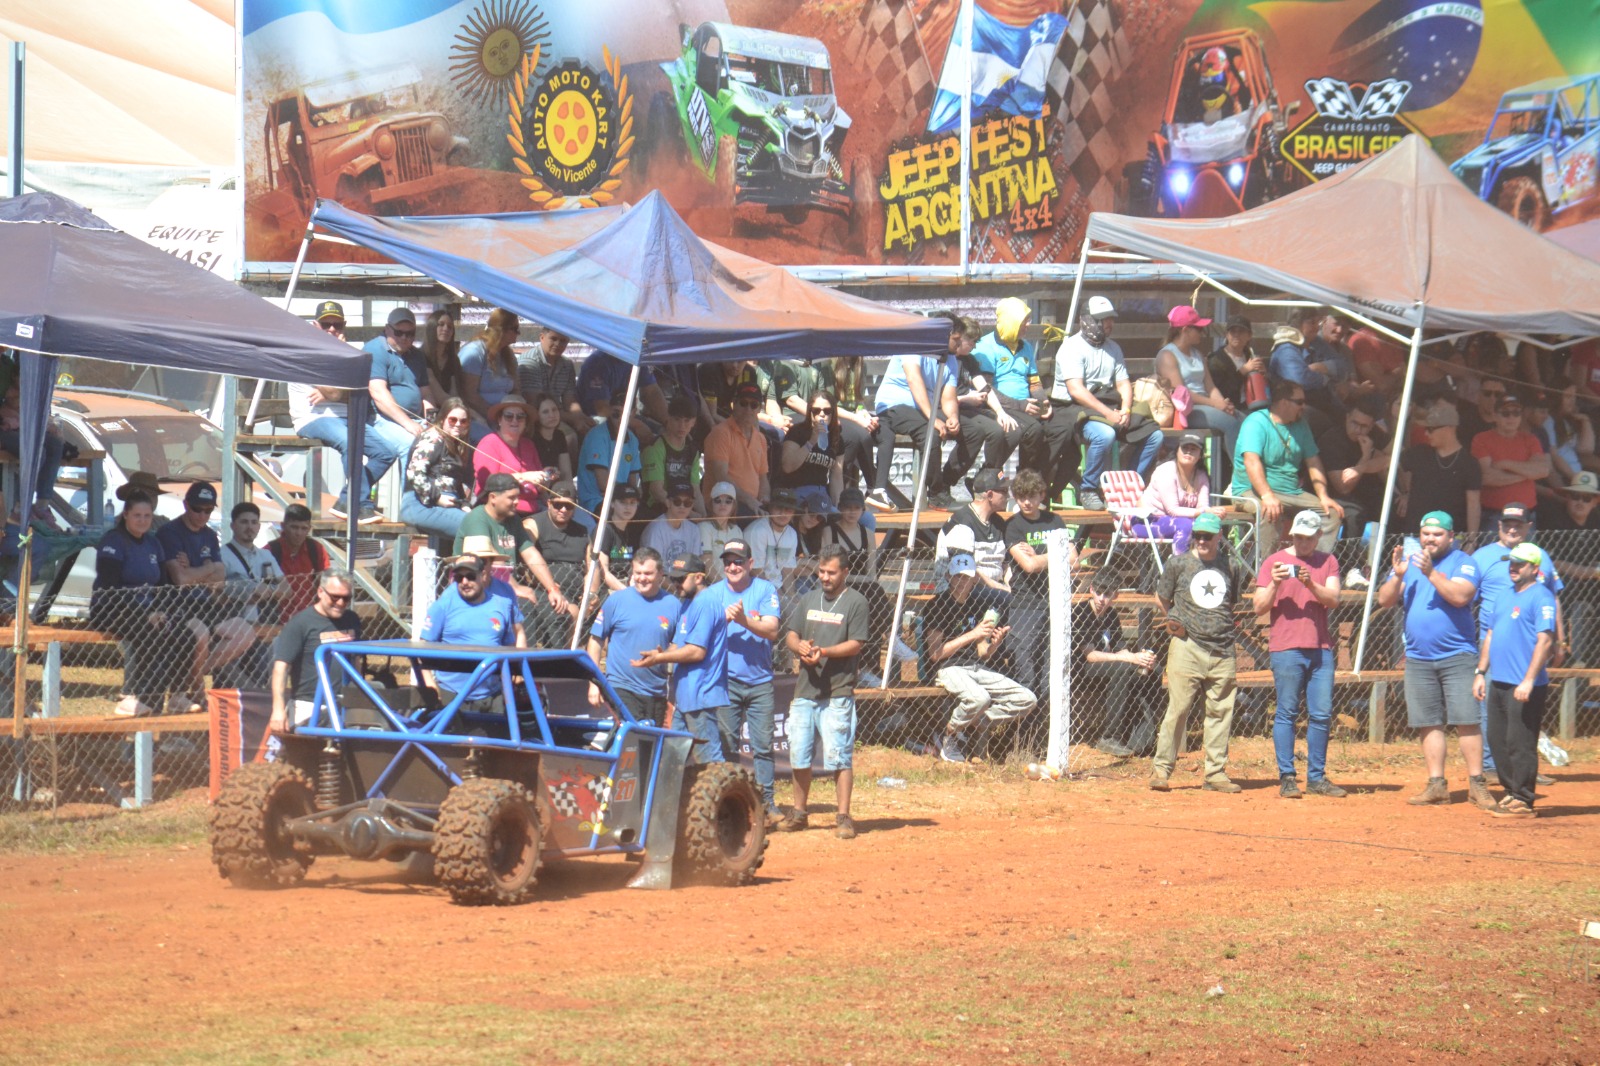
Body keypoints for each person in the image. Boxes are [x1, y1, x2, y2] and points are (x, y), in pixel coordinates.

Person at [1375, 511, 1491, 807]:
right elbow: (1384, 600)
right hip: (1417, 658)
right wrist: (1399, 575)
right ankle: (1436, 784)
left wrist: (1430, 573)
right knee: (1429, 723)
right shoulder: (1410, 564)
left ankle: (1477, 784)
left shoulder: (1463, 562)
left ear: (1451, 537)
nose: (1429, 539)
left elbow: (1460, 596)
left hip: (1458, 656)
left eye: (1437, 534)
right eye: (1425, 533)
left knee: (1466, 720)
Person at [1150, 511, 1251, 793]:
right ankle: (1161, 770)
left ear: (1221, 536)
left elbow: (1230, 602)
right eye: (1199, 535)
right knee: (1178, 709)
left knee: (1221, 712)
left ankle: (1215, 773)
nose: (1203, 540)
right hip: (1187, 646)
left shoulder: (1231, 565)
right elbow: (1161, 597)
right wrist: (1175, 619)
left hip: (1222, 648)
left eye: (1208, 536)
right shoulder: (1178, 564)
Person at [1254, 510, 1347, 799]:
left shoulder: (1328, 561)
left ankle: (1316, 777)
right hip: (1286, 647)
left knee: (1321, 714)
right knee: (1287, 712)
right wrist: (1275, 582)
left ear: (1319, 536)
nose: (1302, 542)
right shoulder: (1274, 562)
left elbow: (1333, 600)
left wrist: (1310, 583)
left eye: (1308, 537)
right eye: (1297, 536)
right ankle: (1287, 777)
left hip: (1320, 648)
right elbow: (1259, 607)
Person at [780, 545, 870, 839]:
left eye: (831, 572)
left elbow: (856, 643)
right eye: (821, 571)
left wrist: (825, 651)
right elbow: (791, 635)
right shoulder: (808, 599)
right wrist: (800, 647)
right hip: (806, 690)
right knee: (799, 754)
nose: (825, 577)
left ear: (845, 572)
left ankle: (843, 816)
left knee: (839, 756)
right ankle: (800, 812)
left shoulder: (856, 602)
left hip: (838, 691)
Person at [1470, 503, 1564, 782]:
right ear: (1498, 526)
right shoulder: (1482, 556)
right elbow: (1467, 598)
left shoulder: (1540, 556)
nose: (1512, 528)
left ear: (1528, 527)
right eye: (1506, 523)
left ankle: (1523, 769)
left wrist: (1560, 639)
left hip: (1532, 642)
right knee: (1494, 705)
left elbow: (1553, 596)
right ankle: (1492, 767)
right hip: (1494, 640)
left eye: (1518, 524)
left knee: (1525, 708)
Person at [288, 301, 401, 523]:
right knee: (351, 442)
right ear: (315, 325)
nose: (332, 329)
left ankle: (346, 500)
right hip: (312, 418)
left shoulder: (349, 353)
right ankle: (361, 505)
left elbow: (358, 392)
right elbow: (336, 393)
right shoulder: (308, 352)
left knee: (386, 451)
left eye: (337, 325)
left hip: (345, 417)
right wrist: (336, 389)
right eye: (326, 324)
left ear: (344, 326)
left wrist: (335, 390)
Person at [92, 490, 198, 717]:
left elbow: (162, 585)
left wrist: (159, 610)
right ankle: (129, 697)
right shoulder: (114, 540)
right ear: (126, 515)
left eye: (147, 516)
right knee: (148, 631)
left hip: (148, 611)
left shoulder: (153, 544)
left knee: (185, 635)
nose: (142, 521)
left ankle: (178, 695)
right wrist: (145, 613)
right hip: (112, 608)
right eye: (137, 515)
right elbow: (110, 586)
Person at [924, 552, 1036, 764]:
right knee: (980, 698)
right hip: (947, 668)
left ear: (975, 578)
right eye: (958, 577)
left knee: (1027, 698)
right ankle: (949, 735)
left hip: (975, 668)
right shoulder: (937, 605)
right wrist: (973, 634)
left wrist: (994, 644)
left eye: (967, 577)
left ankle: (970, 723)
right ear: (948, 577)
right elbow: (935, 653)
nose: (962, 583)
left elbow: (982, 653)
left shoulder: (976, 605)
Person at [1052, 296, 1162, 510]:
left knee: (1155, 436)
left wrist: (1126, 409)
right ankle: (1089, 489)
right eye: (1103, 319)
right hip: (1073, 408)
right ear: (1089, 320)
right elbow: (1077, 391)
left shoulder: (1114, 348)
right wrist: (1109, 414)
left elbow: (1123, 384)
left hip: (1106, 403)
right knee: (1105, 435)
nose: (1109, 324)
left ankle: (1128, 486)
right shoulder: (1071, 347)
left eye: (1110, 319)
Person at [1473, 543, 1558, 819]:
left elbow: (1545, 641)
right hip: (1498, 679)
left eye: (1520, 563)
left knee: (1520, 742)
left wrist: (1529, 680)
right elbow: (1490, 635)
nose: (1513, 567)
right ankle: (1511, 792)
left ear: (1534, 568)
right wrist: (1480, 672)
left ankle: (1523, 797)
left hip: (1524, 684)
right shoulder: (1503, 596)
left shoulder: (1541, 597)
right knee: (1498, 740)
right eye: (1511, 562)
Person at [156, 481, 255, 707]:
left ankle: (192, 680)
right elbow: (180, 579)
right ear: (185, 505)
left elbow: (219, 578)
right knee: (200, 635)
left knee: (245, 633)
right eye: (197, 509)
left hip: (207, 603)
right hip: (177, 605)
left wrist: (195, 570)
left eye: (208, 510)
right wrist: (208, 568)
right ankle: (192, 690)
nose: (202, 515)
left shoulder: (209, 535)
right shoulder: (169, 532)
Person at [709, 539, 784, 820]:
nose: (732, 566)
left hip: (760, 681)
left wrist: (742, 621)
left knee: (763, 746)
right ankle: (729, 803)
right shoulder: (713, 594)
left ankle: (766, 804)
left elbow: (772, 630)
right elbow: (700, 634)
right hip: (725, 681)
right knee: (726, 744)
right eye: (728, 561)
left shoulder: (765, 590)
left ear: (750, 563)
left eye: (739, 561)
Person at [1229, 377, 1343, 554]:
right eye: (1299, 402)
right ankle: (1265, 574)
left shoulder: (1301, 424)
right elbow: (1251, 461)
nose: (1303, 406)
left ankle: (1311, 566)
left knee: (1331, 514)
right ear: (1283, 402)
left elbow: (1313, 461)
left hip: (1290, 492)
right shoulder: (1256, 422)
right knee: (1269, 511)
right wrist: (1267, 495)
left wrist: (1323, 496)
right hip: (1251, 491)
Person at [632, 553, 727, 763]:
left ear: (699, 577)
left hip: (700, 692)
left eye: (680, 579)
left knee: (708, 759)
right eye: (673, 579)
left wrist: (660, 659)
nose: (675, 584)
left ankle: (725, 795)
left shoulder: (706, 602)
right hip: (686, 694)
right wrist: (660, 654)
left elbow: (696, 651)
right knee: (673, 757)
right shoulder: (687, 602)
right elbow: (679, 643)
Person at [454, 473, 574, 622]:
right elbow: (490, 561)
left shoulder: (513, 520)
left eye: (517, 497)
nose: (517, 502)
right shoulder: (476, 518)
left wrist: (552, 589)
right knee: (525, 608)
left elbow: (531, 554)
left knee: (557, 611)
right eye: (511, 498)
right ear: (493, 498)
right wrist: (516, 588)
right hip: (480, 589)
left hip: (506, 586)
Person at [586, 548, 680, 724]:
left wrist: (664, 656)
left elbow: (678, 645)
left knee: (649, 745)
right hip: (621, 686)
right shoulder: (616, 601)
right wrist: (594, 682)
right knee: (631, 739)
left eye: (648, 573)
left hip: (656, 691)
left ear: (661, 574)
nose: (642, 578)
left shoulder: (673, 605)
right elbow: (595, 641)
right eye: (638, 573)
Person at [1071, 568, 1158, 757]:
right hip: (1081, 671)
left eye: (1108, 594)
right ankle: (1110, 737)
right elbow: (1090, 656)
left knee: (1153, 670)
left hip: (1107, 668)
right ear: (1091, 590)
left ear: (1115, 595)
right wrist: (1127, 658)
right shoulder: (1081, 612)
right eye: (1099, 592)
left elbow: (1121, 648)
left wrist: (1140, 658)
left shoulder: (1111, 614)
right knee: (1123, 667)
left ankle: (1141, 737)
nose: (1102, 598)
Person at [865, 346, 963, 513]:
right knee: (929, 432)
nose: (960, 343)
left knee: (971, 428)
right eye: (957, 339)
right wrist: (934, 419)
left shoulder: (950, 359)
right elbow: (913, 379)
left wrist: (953, 416)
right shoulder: (915, 345)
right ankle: (936, 494)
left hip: (921, 410)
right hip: (893, 406)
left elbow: (949, 396)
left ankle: (964, 484)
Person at [419, 552, 523, 709]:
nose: (464, 582)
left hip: (493, 693)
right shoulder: (443, 605)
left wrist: (513, 679)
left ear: (483, 575)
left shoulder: (501, 604)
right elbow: (422, 647)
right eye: (459, 577)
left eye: (470, 576)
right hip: (451, 693)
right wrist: (429, 682)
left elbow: (509, 646)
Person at [1002, 469, 1067, 703]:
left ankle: (1040, 734)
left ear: (1041, 495)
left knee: (1050, 673)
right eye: (1021, 497)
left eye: (1031, 496)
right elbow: (1027, 566)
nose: (1026, 502)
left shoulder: (1054, 521)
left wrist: (1039, 558)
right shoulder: (1013, 526)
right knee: (1025, 670)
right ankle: (1019, 732)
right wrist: (1054, 555)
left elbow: (1074, 558)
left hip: (1054, 603)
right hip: (1025, 605)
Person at [269, 570, 361, 731]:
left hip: (345, 702)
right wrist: (278, 709)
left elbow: (356, 660)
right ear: (320, 592)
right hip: (310, 705)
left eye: (346, 598)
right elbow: (281, 668)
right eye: (335, 597)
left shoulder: (352, 619)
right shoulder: (301, 623)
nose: (340, 603)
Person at [1156, 304, 1239, 461]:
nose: (1202, 333)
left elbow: (1210, 386)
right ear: (1185, 330)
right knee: (1231, 423)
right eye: (1199, 329)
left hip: (1206, 405)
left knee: (1245, 420)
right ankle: (1243, 478)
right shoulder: (1167, 355)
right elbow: (1181, 393)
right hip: (1185, 410)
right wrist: (1214, 404)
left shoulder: (1198, 354)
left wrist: (1223, 403)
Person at [218, 501, 286, 689]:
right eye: (244, 522)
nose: (250, 527)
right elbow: (219, 592)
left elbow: (287, 589)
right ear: (233, 525)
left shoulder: (266, 556)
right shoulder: (223, 555)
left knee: (263, 674)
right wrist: (255, 593)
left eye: (254, 522)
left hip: (265, 624)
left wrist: (264, 593)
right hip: (236, 625)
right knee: (230, 682)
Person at [1399, 402, 1482, 536]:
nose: (1426, 433)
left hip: (1451, 538)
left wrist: (1472, 540)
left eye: (1430, 429)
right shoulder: (1420, 452)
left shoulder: (1469, 464)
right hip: (1415, 536)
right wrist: (1406, 491)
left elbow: (1473, 505)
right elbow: (1393, 463)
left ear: (1449, 428)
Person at [400, 398, 474, 541]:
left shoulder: (455, 443)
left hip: (446, 504)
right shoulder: (432, 438)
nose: (458, 424)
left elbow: (455, 481)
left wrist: (464, 504)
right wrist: (437, 497)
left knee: (483, 523)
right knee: (474, 527)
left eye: (463, 421)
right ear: (442, 419)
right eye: (453, 420)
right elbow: (415, 472)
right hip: (420, 504)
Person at [1314, 400, 1389, 539]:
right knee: (1356, 514)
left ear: (1372, 425)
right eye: (1354, 423)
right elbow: (1343, 487)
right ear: (1347, 417)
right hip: (1332, 493)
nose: (1358, 430)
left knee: (1392, 505)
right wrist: (1366, 457)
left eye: (1364, 426)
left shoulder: (1374, 433)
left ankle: (1382, 555)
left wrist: (1361, 467)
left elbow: (1395, 456)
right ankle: (1350, 558)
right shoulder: (1332, 440)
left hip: (1363, 489)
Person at [1138, 432, 1220, 553]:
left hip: (1180, 521)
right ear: (1177, 451)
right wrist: (1203, 511)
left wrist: (1213, 512)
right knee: (1186, 525)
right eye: (1184, 448)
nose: (1188, 452)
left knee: (1209, 524)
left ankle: (1209, 564)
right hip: (1147, 522)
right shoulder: (1166, 471)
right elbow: (1173, 510)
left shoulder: (1201, 475)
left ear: (1200, 455)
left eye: (1193, 449)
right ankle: (1181, 567)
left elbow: (1203, 505)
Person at [361, 307, 438, 431]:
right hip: (383, 419)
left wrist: (432, 423)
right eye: (398, 332)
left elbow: (426, 394)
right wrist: (408, 423)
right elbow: (378, 393)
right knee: (415, 446)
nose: (404, 337)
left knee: (444, 442)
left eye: (409, 334)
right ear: (387, 329)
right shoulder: (375, 350)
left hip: (415, 420)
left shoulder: (417, 355)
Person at [1473, 393, 1549, 514]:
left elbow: (1543, 470)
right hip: (1494, 513)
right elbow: (1487, 477)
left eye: (1516, 413)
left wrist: (1505, 464)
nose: (1511, 417)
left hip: (1526, 513)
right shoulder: (1481, 439)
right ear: (1495, 415)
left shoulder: (1531, 439)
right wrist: (1527, 475)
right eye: (1505, 413)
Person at [702, 382, 771, 515]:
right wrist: (749, 500)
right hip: (723, 504)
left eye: (754, 405)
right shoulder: (721, 433)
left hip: (751, 505)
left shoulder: (761, 438)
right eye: (743, 403)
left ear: (759, 409)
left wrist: (764, 500)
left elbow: (763, 477)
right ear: (734, 404)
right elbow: (720, 476)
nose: (748, 409)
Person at [935, 468, 1010, 589]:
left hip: (994, 591)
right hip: (963, 593)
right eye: (1004, 491)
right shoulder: (962, 524)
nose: (1008, 495)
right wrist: (1003, 590)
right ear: (990, 495)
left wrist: (1011, 587)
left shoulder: (998, 522)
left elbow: (1006, 565)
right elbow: (965, 574)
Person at [474, 397, 549, 518]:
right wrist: (524, 477)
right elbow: (487, 482)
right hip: (503, 512)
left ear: (525, 422)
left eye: (520, 417)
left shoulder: (528, 444)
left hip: (536, 509)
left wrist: (544, 480)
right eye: (509, 416)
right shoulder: (489, 442)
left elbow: (541, 488)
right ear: (499, 419)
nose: (515, 420)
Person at [577, 349, 668, 445]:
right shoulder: (597, 363)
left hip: (627, 416)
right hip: (596, 418)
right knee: (637, 434)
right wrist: (636, 424)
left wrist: (668, 422)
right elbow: (601, 408)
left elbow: (652, 392)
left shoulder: (638, 359)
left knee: (663, 432)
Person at [778, 388, 846, 514]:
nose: (822, 414)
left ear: (833, 413)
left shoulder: (836, 438)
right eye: (816, 410)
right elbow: (787, 466)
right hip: (797, 492)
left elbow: (837, 476)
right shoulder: (798, 432)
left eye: (827, 411)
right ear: (810, 412)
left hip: (821, 493)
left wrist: (838, 505)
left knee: (866, 519)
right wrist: (811, 442)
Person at [459, 308, 523, 439]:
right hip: (478, 416)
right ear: (502, 329)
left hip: (505, 418)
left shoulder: (507, 355)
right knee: (494, 441)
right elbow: (469, 396)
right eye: (515, 328)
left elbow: (516, 389)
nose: (519, 333)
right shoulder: (475, 352)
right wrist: (495, 416)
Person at [577, 392, 643, 517]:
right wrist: (627, 493)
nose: (620, 418)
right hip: (595, 502)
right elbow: (603, 484)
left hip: (621, 498)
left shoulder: (632, 439)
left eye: (625, 413)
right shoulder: (597, 436)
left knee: (645, 515)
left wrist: (632, 495)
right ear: (609, 410)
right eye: (616, 413)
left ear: (633, 413)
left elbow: (635, 481)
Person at [518, 327, 588, 439]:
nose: (558, 344)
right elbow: (536, 405)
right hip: (534, 417)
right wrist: (575, 419)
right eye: (553, 339)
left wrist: (580, 417)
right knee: (569, 437)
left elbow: (569, 401)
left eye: (563, 341)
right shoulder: (530, 362)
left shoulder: (567, 364)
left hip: (556, 414)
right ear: (542, 337)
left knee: (592, 431)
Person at [641, 394, 703, 518]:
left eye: (686, 421)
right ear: (668, 418)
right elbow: (656, 491)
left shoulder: (693, 450)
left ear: (693, 422)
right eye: (677, 419)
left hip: (684, 509)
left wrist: (705, 517)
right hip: (657, 510)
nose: (682, 426)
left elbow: (695, 489)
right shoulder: (654, 448)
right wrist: (689, 514)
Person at [266, 503, 328, 623]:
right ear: (283, 526)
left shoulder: (316, 549)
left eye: (303, 528)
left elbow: (324, 582)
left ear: (309, 529)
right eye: (294, 527)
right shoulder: (269, 551)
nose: (299, 533)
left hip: (309, 618)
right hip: (277, 620)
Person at [1207, 314, 1267, 410]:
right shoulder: (1216, 360)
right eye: (1232, 331)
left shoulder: (1250, 356)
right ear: (1227, 335)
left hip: (1252, 406)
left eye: (1241, 331)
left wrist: (1263, 375)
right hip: (1229, 409)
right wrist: (1243, 370)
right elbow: (1220, 391)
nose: (1236, 335)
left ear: (1249, 335)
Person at [745, 488, 800, 590]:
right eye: (778, 508)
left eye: (788, 509)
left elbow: (787, 571)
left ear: (793, 513)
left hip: (778, 588)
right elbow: (756, 572)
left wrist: (790, 596)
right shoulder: (758, 531)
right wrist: (779, 597)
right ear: (770, 509)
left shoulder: (792, 534)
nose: (782, 513)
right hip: (754, 588)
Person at [594, 483, 644, 592]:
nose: (628, 507)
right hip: (606, 589)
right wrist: (627, 592)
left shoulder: (633, 530)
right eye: (623, 502)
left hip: (628, 584)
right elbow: (603, 572)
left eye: (632, 502)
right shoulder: (604, 530)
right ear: (612, 503)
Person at [640, 480, 703, 562]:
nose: (682, 506)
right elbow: (653, 566)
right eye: (677, 501)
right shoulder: (655, 529)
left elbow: (695, 564)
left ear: (692, 505)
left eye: (687, 503)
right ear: (668, 502)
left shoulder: (694, 530)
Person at [699, 480, 744, 580]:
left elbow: (741, 563)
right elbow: (707, 564)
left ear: (734, 505)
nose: (723, 504)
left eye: (728, 501)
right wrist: (724, 588)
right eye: (717, 500)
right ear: (711, 504)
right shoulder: (704, 528)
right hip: (712, 585)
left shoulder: (737, 530)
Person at [529, 391, 577, 482]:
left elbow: (566, 473)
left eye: (554, 410)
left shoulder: (559, 435)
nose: (552, 415)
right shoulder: (531, 439)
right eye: (545, 412)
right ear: (537, 415)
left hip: (557, 487)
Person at [421, 308, 463, 400]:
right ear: (432, 327)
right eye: (441, 324)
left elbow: (454, 392)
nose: (446, 329)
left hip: (451, 406)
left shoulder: (453, 359)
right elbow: (439, 396)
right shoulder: (421, 356)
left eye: (450, 326)